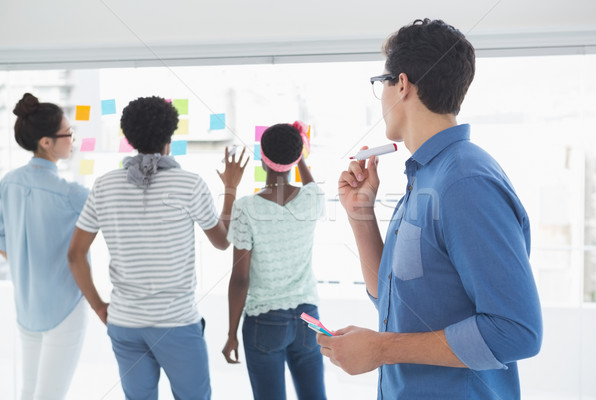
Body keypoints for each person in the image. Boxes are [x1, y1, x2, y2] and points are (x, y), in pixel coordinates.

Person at [317, 18, 543, 399]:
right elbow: (390, 298)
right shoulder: (424, 178)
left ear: (401, 84)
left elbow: (517, 330)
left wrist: (381, 348)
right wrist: (360, 215)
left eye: (382, 84)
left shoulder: (465, 181)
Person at [67, 96, 248, 400]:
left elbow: (75, 256)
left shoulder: (104, 185)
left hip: (125, 323)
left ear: (129, 137)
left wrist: (100, 306)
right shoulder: (189, 184)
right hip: (176, 322)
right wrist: (230, 188)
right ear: (169, 138)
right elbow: (221, 241)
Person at [222, 121, 326, 399]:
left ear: (262, 160)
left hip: (264, 321)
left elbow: (241, 278)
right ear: (296, 157)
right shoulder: (313, 199)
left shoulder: (246, 207)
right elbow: (310, 183)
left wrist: (231, 333)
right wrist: (299, 150)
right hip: (309, 319)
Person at [0, 93, 89, 399]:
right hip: (64, 308)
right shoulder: (72, 193)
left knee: (29, 392)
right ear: (47, 142)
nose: (73, 139)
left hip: (27, 305)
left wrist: (25, 263)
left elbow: (2, 237)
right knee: (50, 395)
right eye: (68, 133)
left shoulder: (7, 183)